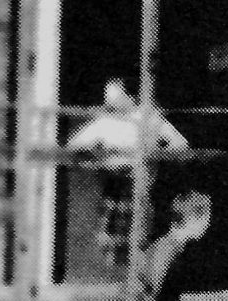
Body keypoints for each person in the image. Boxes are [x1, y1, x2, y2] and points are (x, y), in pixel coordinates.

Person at [66, 79, 188, 270]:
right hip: (115, 182)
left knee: (142, 233)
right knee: (110, 238)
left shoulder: (149, 116)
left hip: (142, 183)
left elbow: (179, 144)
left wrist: (157, 154)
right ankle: (121, 276)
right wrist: (98, 161)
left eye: (115, 95)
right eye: (108, 96)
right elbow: (74, 147)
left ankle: (142, 276)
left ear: (129, 95)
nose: (110, 100)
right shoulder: (104, 120)